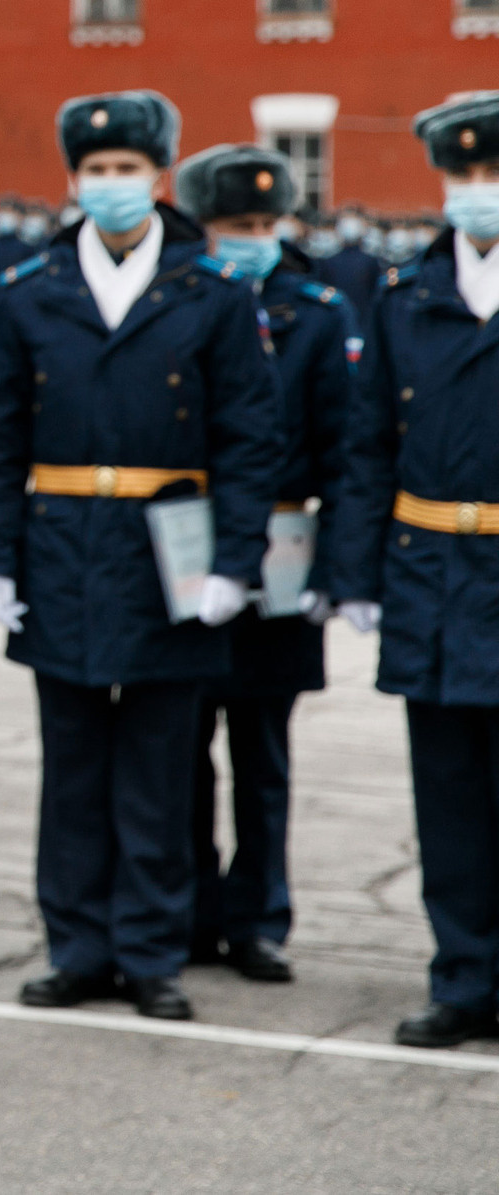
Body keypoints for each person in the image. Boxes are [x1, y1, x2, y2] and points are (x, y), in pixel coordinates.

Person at [0, 93, 283, 1024]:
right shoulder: (28, 290)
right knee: (71, 764)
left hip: (167, 553)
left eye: (127, 168)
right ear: (73, 180)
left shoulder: (213, 291)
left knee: (158, 767)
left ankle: (151, 951)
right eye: (95, 170)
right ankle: (77, 946)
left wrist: (235, 561)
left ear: (160, 176)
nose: (111, 185)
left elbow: (248, 439)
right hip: (61, 545)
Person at [331, 90, 499, 1048]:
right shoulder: (405, 297)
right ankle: (463, 977)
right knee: (448, 800)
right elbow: (368, 447)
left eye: (493, 174)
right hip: (431, 571)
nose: (479, 192)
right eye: (464, 174)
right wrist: (355, 575)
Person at [172, 144, 353, 985]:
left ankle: (259, 918)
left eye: (261, 224)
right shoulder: (186, 301)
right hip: (190, 547)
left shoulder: (317, 312)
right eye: (232, 225)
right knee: (180, 749)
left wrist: (331, 569)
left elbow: (344, 449)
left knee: (263, 755)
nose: (249, 238)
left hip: (281, 551)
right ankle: (191, 911)